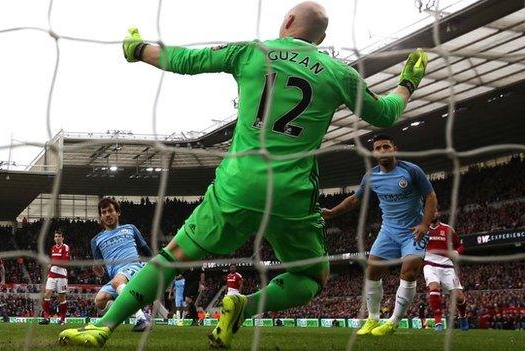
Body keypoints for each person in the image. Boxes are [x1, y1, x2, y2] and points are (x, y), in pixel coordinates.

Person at [58, 1, 428, 347]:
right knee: (313, 278)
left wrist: (137, 50)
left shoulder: (253, 51)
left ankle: (102, 327)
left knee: (171, 258)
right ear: (322, 40)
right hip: (291, 192)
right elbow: (387, 114)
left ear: (286, 23)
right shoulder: (339, 74)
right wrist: (407, 83)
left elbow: (187, 59)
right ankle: (246, 307)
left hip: (238, 183)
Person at [323, 135, 437, 336]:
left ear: (394, 149)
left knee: (409, 271)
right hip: (388, 230)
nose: (382, 150)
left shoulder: (411, 171)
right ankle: (373, 318)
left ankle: (393, 321)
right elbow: (354, 200)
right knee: (372, 270)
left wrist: (425, 225)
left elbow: (430, 196)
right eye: (378, 148)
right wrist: (332, 212)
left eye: (386, 146)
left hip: (413, 231)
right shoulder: (371, 176)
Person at [89, 197, 153, 332]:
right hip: (116, 278)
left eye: (110, 210)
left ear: (118, 212)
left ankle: (142, 318)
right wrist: (99, 272)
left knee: (117, 282)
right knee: (99, 301)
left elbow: (146, 251)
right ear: (100, 217)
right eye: (104, 212)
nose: (107, 214)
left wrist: (155, 267)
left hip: (134, 268)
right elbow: (100, 269)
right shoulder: (96, 240)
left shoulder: (130, 228)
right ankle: (128, 308)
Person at [424, 208, 468, 331]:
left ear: (439, 213)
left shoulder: (448, 229)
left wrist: (456, 252)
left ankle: (463, 316)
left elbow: (460, 246)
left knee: (458, 297)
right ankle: (438, 322)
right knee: (434, 287)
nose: (433, 213)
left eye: (435, 211)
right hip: (430, 264)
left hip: (447, 266)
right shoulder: (424, 229)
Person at [40, 229, 70, 325]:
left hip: (61, 276)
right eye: (55, 236)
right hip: (52, 275)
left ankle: (62, 319)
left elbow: (65, 262)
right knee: (46, 294)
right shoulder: (53, 248)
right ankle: (46, 318)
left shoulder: (65, 247)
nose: (57, 238)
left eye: (59, 236)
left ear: (62, 238)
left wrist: (52, 263)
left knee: (62, 298)